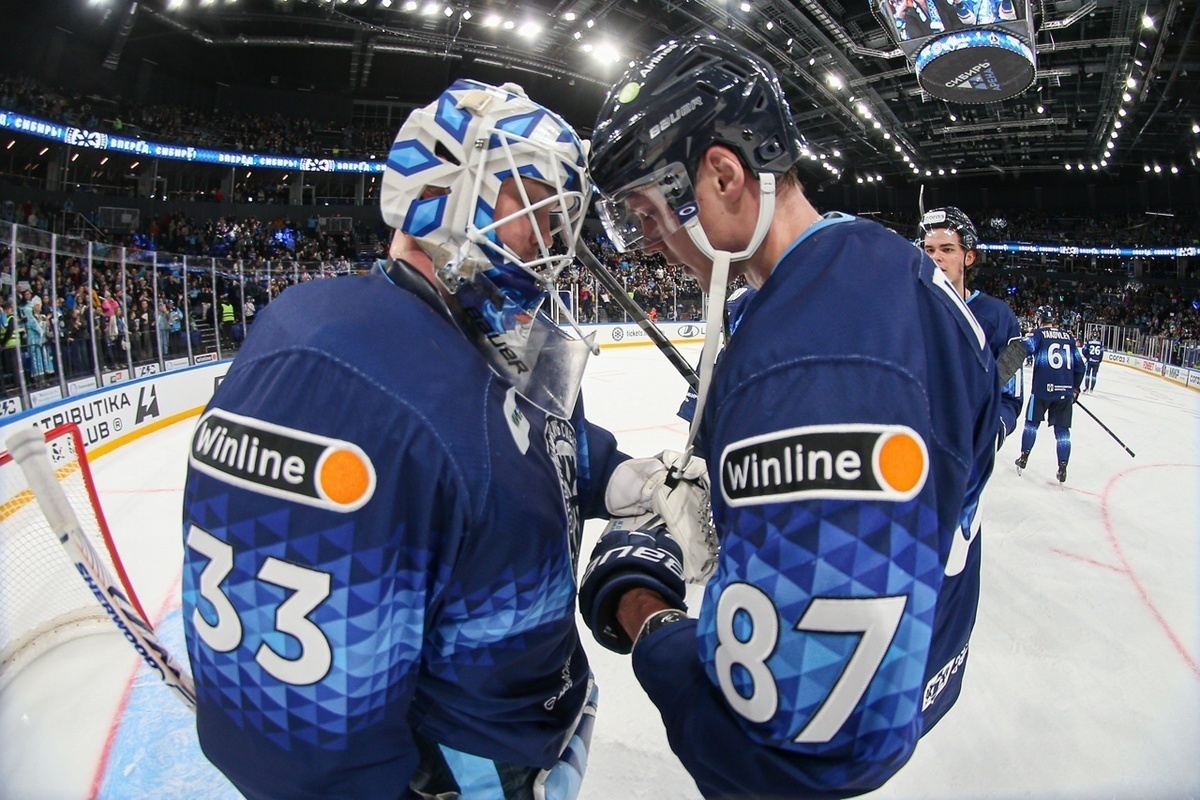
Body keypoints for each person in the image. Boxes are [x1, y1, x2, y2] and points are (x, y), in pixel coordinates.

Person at [181, 78, 705, 800]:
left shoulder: (505, 339)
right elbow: (295, 731)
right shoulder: (335, 367)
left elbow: (544, 457)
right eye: (534, 201)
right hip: (452, 773)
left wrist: (626, 480)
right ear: (447, 191)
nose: (554, 236)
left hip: (529, 733)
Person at [579, 34, 999, 798]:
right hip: (930, 654)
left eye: (644, 214)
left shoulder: (811, 361)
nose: (647, 244)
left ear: (723, 174)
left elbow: (796, 760)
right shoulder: (875, 264)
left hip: (866, 720)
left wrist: (645, 613)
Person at [920, 206, 1023, 445]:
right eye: (929, 250)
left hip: (961, 456)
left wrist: (987, 436)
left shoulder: (1002, 318)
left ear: (969, 257)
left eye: (947, 249)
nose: (936, 257)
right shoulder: (903, 310)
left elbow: (1009, 397)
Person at [1014, 305, 1085, 483]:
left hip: (1041, 390)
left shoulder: (1038, 334)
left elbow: (1023, 349)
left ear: (1039, 319)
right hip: (1064, 393)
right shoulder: (1069, 337)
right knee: (1062, 432)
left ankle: (1024, 457)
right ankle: (1062, 467)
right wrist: (1075, 389)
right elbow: (1080, 367)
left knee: (1031, 424)